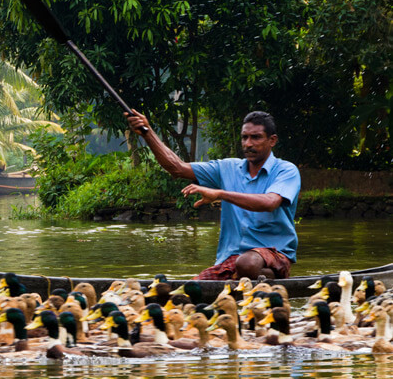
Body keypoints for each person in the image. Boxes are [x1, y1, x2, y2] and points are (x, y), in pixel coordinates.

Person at [126, 110, 300, 280]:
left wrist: (220, 194)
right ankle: (240, 276)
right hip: (231, 259)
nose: (248, 144)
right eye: (244, 137)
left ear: (272, 140)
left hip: (274, 254)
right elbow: (177, 167)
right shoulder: (227, 168)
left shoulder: (286, 170)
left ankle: (270, 275)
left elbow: (270, 202)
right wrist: (146, 133)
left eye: (256, 137)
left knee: (247, 264)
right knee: (190, 292)